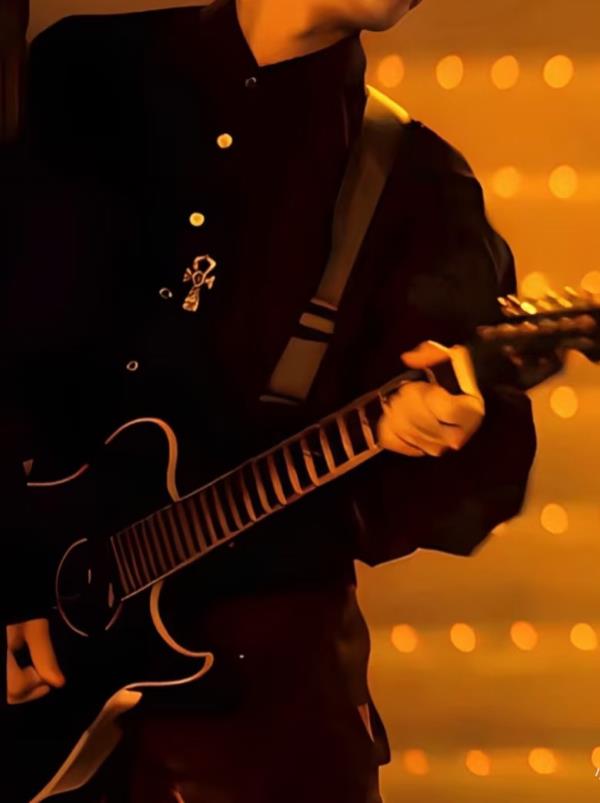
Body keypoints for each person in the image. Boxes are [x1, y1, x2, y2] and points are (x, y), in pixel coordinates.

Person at [1, 0, 537, 800]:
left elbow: (470, 487)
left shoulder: (419, 184)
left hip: (263, 714)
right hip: (38, 660)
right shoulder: (82, 72)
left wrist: (446, 430)